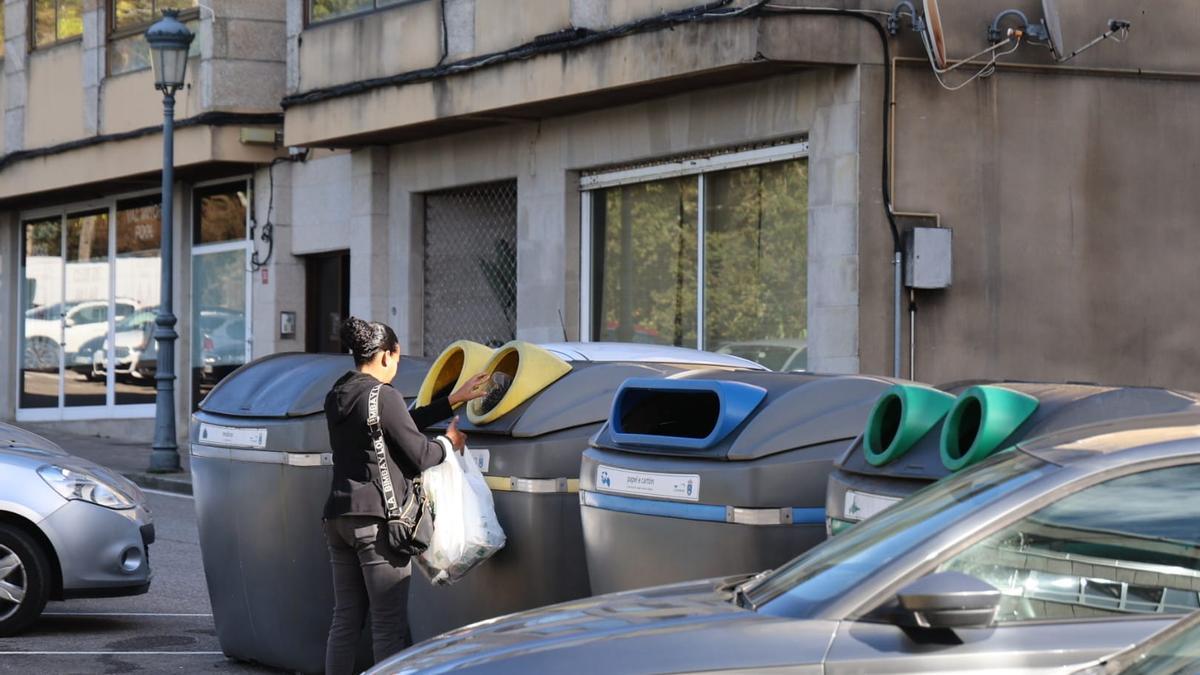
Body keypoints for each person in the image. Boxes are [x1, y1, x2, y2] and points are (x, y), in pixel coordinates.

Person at [322, 317, 487, 674]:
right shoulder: (384, 395)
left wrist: (455, 399)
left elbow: (401, 423)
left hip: (339, 518)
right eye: (396, 357)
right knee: (387, 627)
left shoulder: (338, 393)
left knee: (346, 620)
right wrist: (450, 443)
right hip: (379, 527)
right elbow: (421, 454)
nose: (397, 365)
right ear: (386, 355)